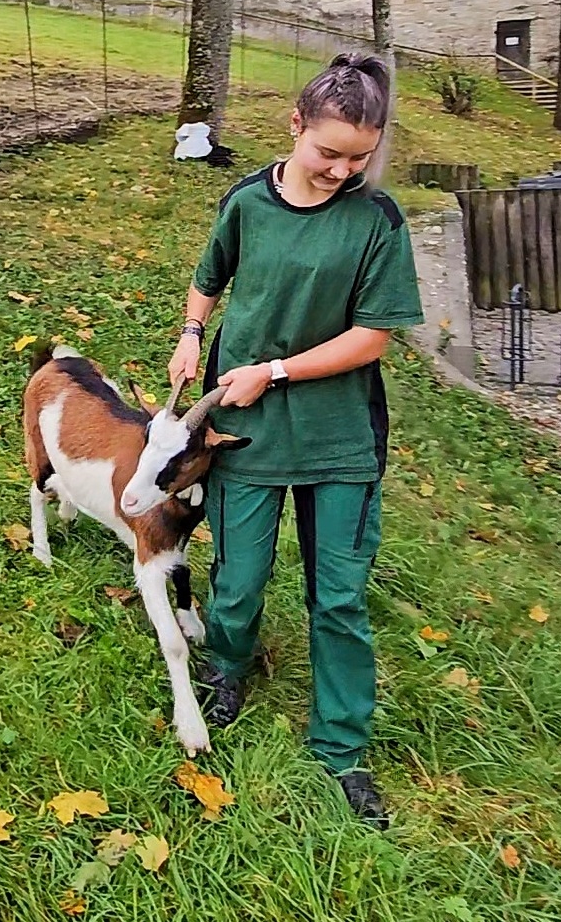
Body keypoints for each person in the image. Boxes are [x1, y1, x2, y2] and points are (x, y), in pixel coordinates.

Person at [167, 53, 423, 830]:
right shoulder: (247, 199)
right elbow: (210, 275)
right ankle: (227, 668)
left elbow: (373, 338)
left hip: (340, 440)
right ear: (294, 127)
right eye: (330, 152)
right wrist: (190, 332)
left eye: (360, 156)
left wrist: (272, 370)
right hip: (242, 432)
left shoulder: (377, 221)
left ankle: (341, 748)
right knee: (238, 579)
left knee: (338, 597)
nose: (345, 169)